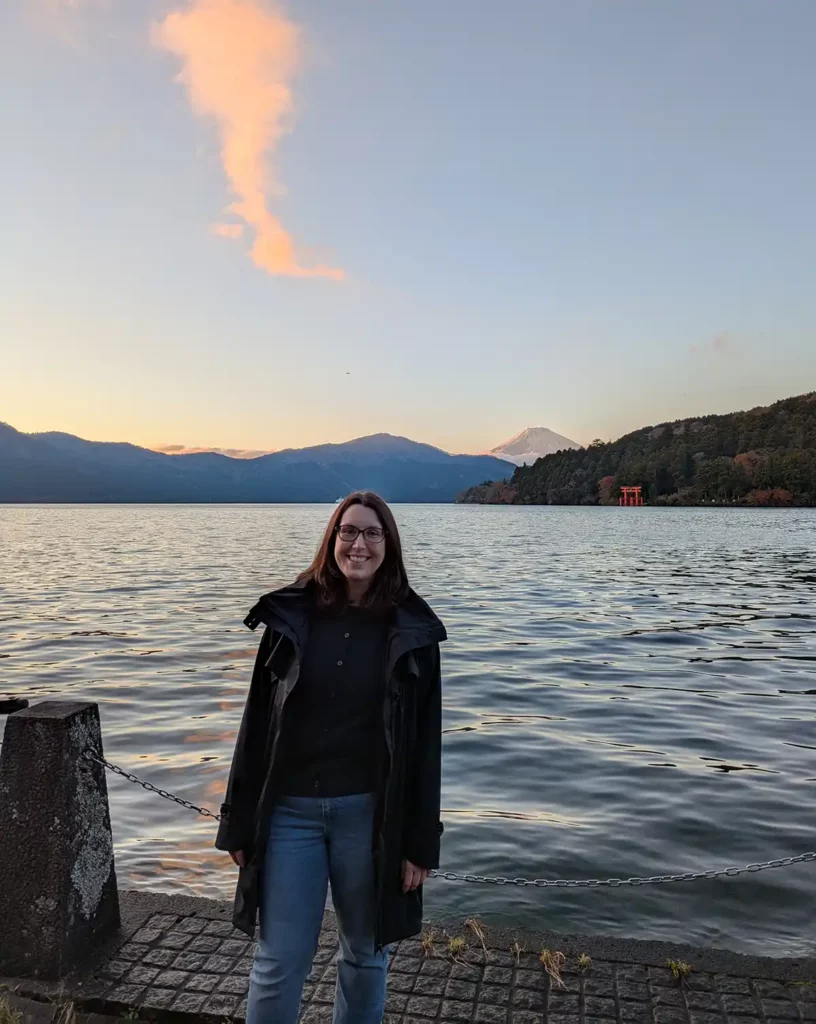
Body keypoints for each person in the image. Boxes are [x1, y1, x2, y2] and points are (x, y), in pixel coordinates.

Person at [215, 491, 447, 1024]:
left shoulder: (411, 631)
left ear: (388, 544)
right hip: (289, 813)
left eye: (371, 533)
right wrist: (239, 824)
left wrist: (419, 844)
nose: (358, 544)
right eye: (348, 532)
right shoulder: (290, 617)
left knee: (365, 958)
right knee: (278, 961)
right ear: (331, 540)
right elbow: (255, 724)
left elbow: (424, 746)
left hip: (369, 818)